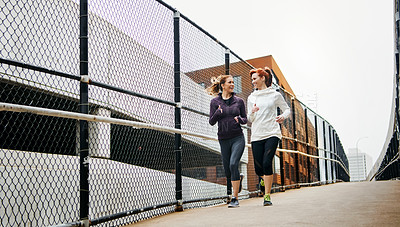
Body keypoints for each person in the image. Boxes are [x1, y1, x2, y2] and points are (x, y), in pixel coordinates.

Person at [247, 67, 290, 206]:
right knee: (259, 168)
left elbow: (287, 109)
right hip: (257, 134)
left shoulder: (274, 95)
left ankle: (267, 196)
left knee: (267, 163)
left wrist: (282, 116)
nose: (252, 81)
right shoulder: (251, 97)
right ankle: (262, 179)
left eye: (255, 78)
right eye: (252, 79)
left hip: (272, 132)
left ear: (263, 78)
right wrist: (252, 112)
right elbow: (250, 118)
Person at [208, 75, 247, 208]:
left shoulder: (239, 101)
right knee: (228, 170)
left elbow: (245, 119)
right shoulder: (214, 102)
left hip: (238, 138)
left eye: (233, 82)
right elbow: (211, 122)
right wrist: (218, 113)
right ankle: (238, 179)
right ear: (223, 85)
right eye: (230, 82)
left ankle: (235, 198)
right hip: (223, 139)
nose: (232, 84)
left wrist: (239, 120)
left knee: (233, 163)